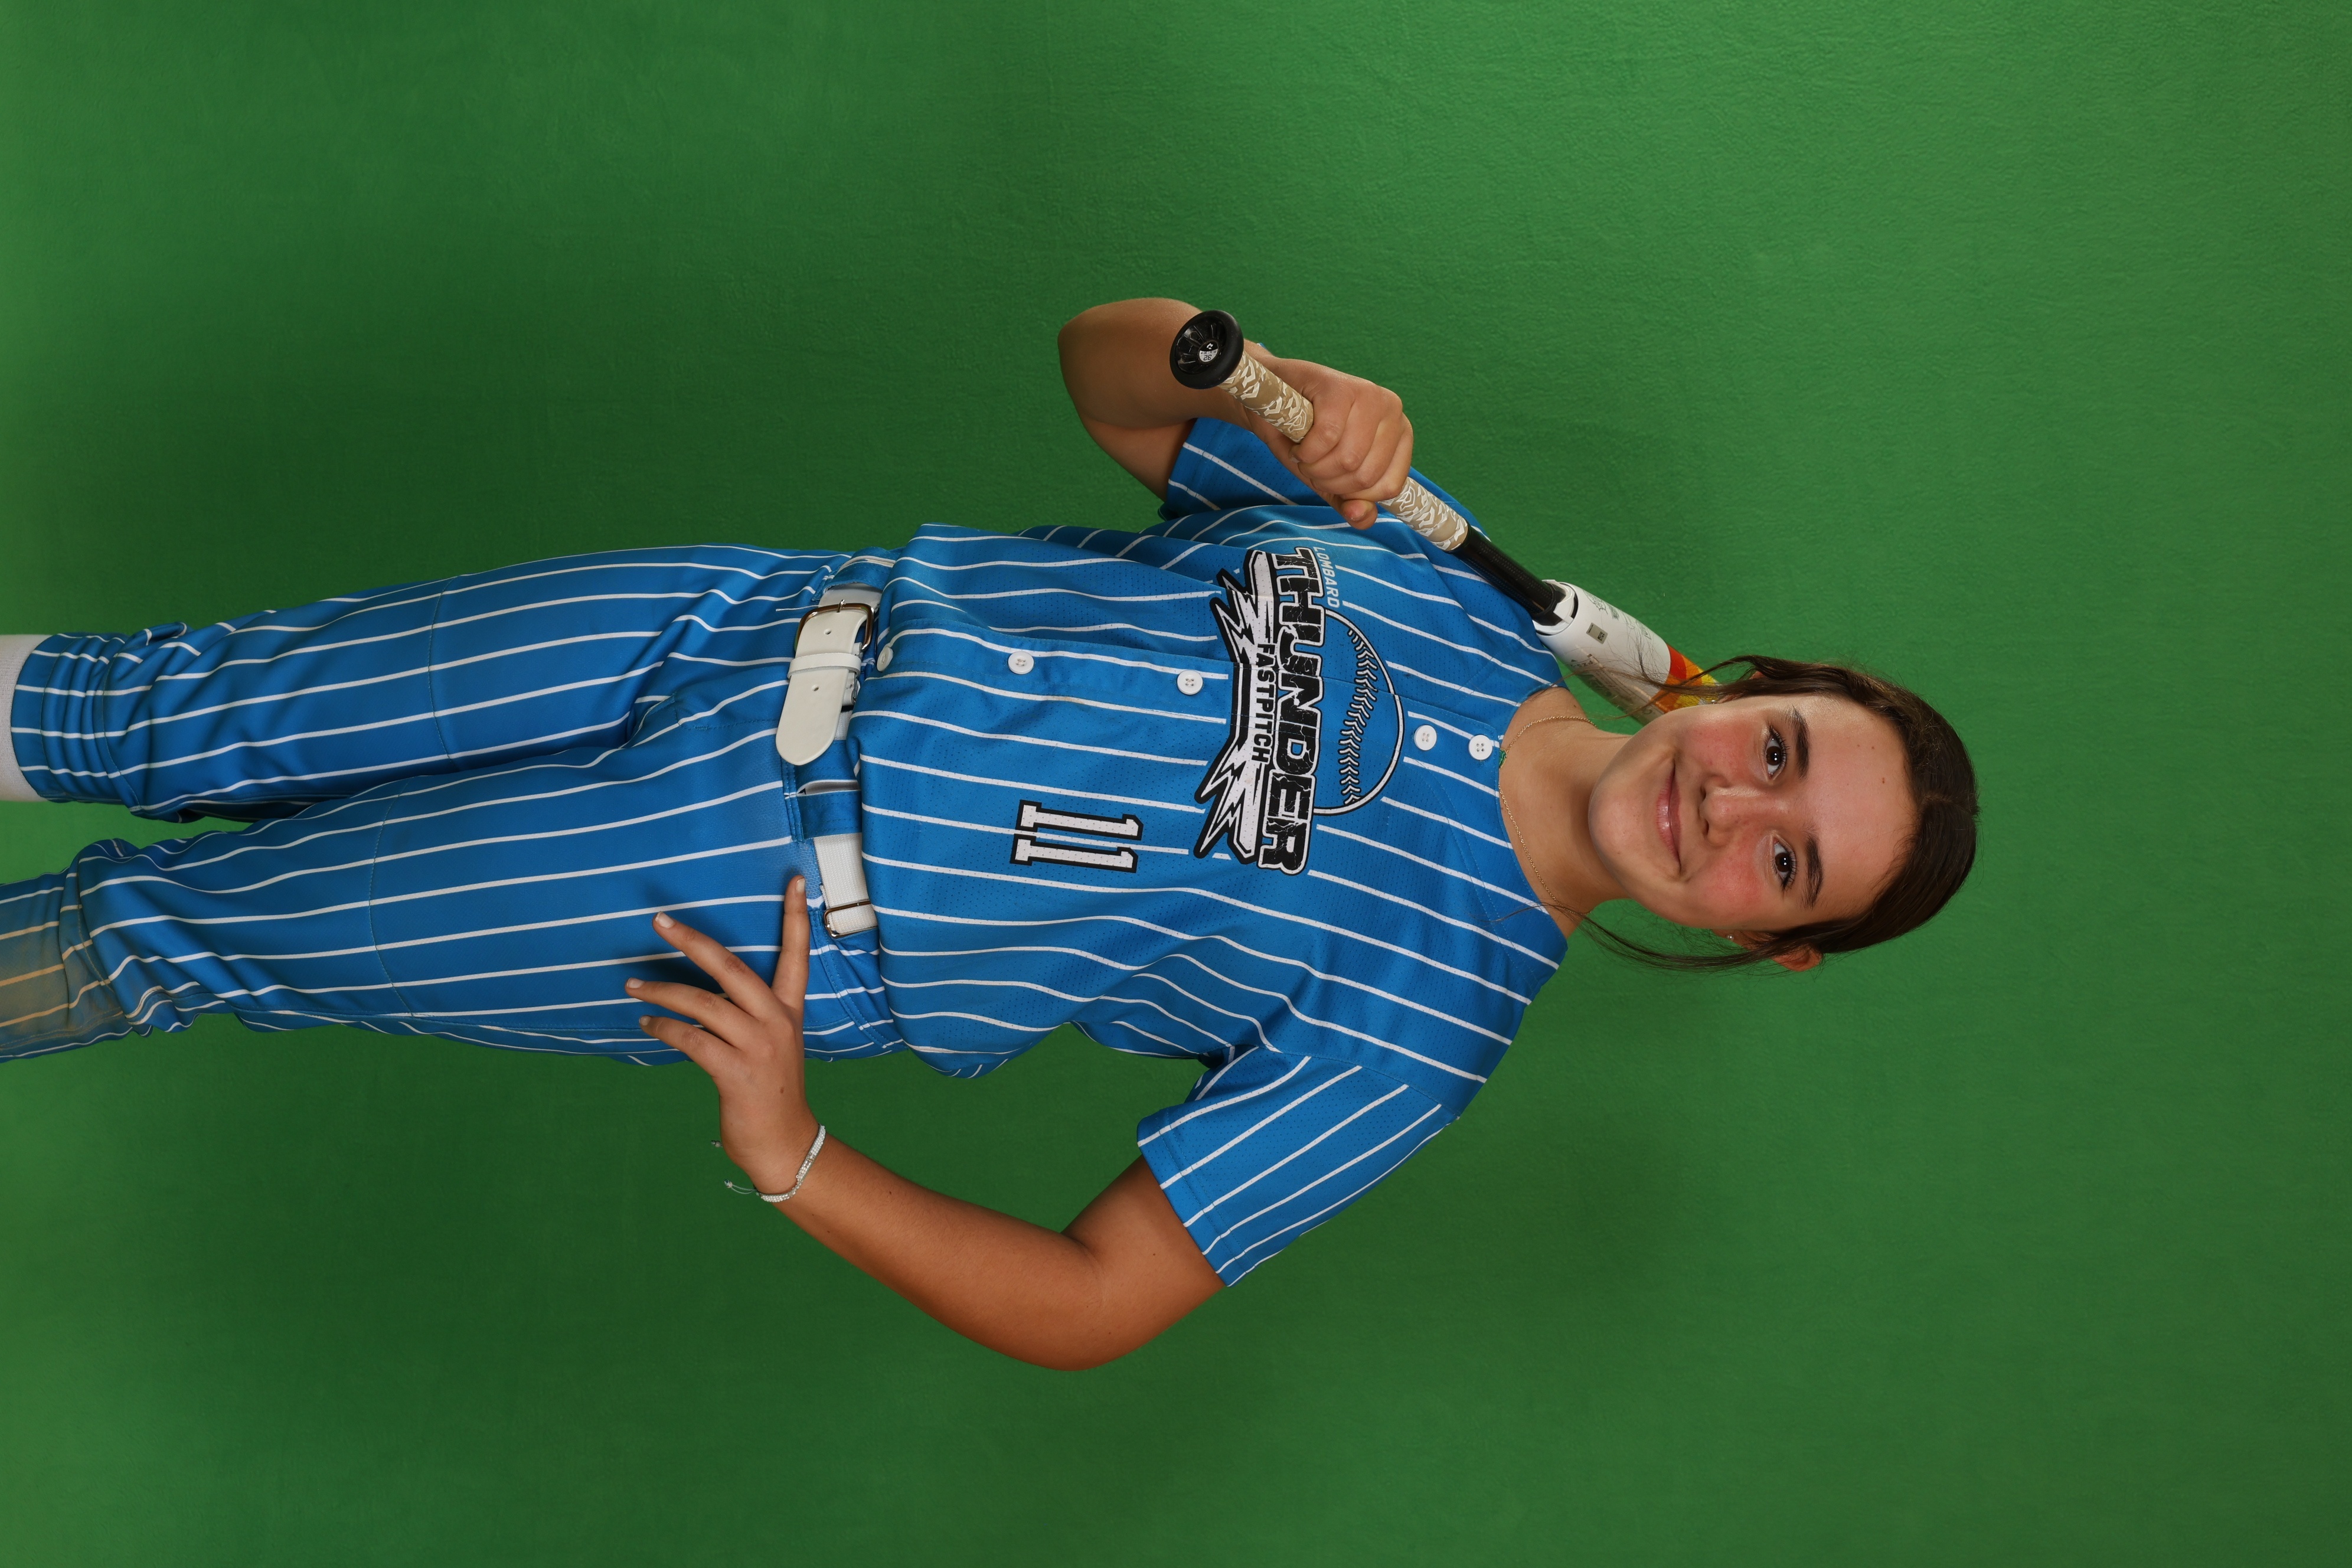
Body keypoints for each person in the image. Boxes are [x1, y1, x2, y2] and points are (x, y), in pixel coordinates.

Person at [0, 298, 1977, 1367]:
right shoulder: (1437, 577)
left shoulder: (1422, 1040)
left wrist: (795, 1157)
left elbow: (1101, 1300)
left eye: (1785, 858)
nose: (1735, 805)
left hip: (739, 911)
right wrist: (1271, 375)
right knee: (152, 701)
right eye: (1780, 750)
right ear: (1734, 689)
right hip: (736, 621)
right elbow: (1111, 377)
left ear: (1764, 938)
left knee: (174, 936)